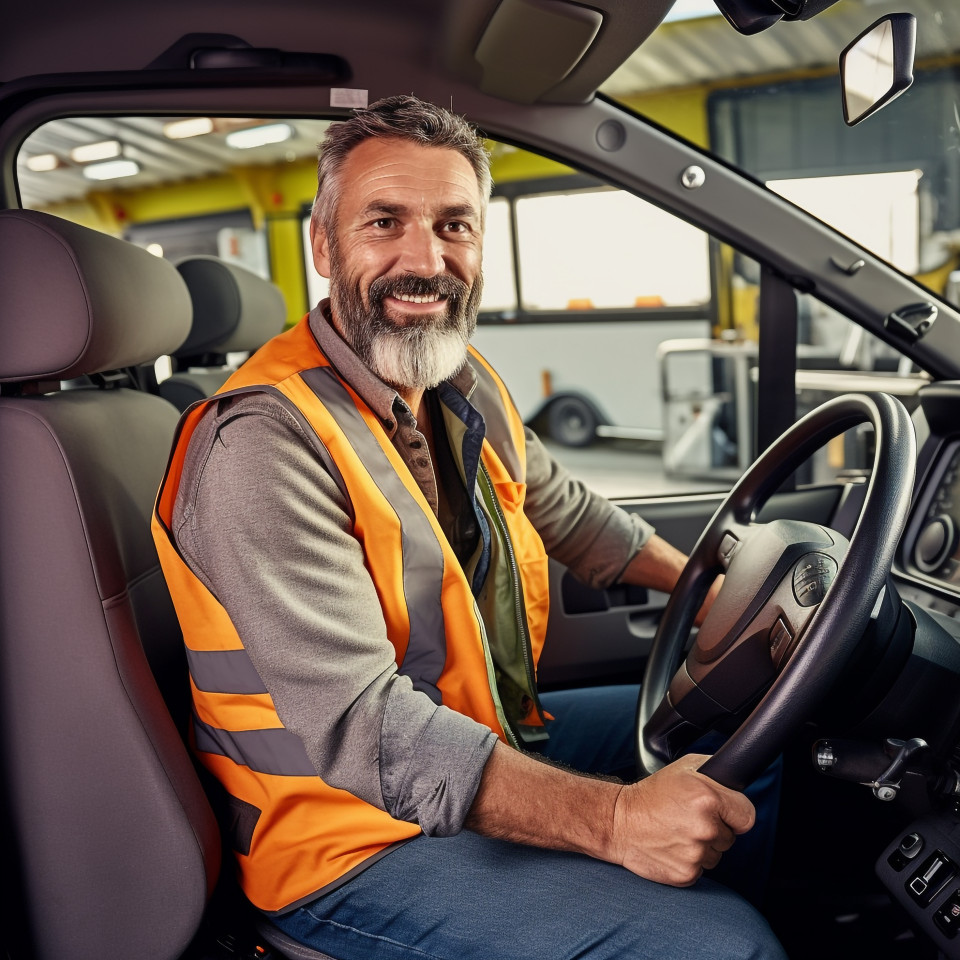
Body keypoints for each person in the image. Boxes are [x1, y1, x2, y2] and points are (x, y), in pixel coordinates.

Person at [153, 95, 785, 959]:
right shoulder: (262, 444)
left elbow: (565, 511)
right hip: (349, 842)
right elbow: (363, 727)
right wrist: (616, 821)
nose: (427, 259)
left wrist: (711, 589)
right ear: (323, 245)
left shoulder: (459, 379)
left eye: (456, 225)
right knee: (720, 947)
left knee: (760, 733)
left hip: (475, 740)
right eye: (385, 222)